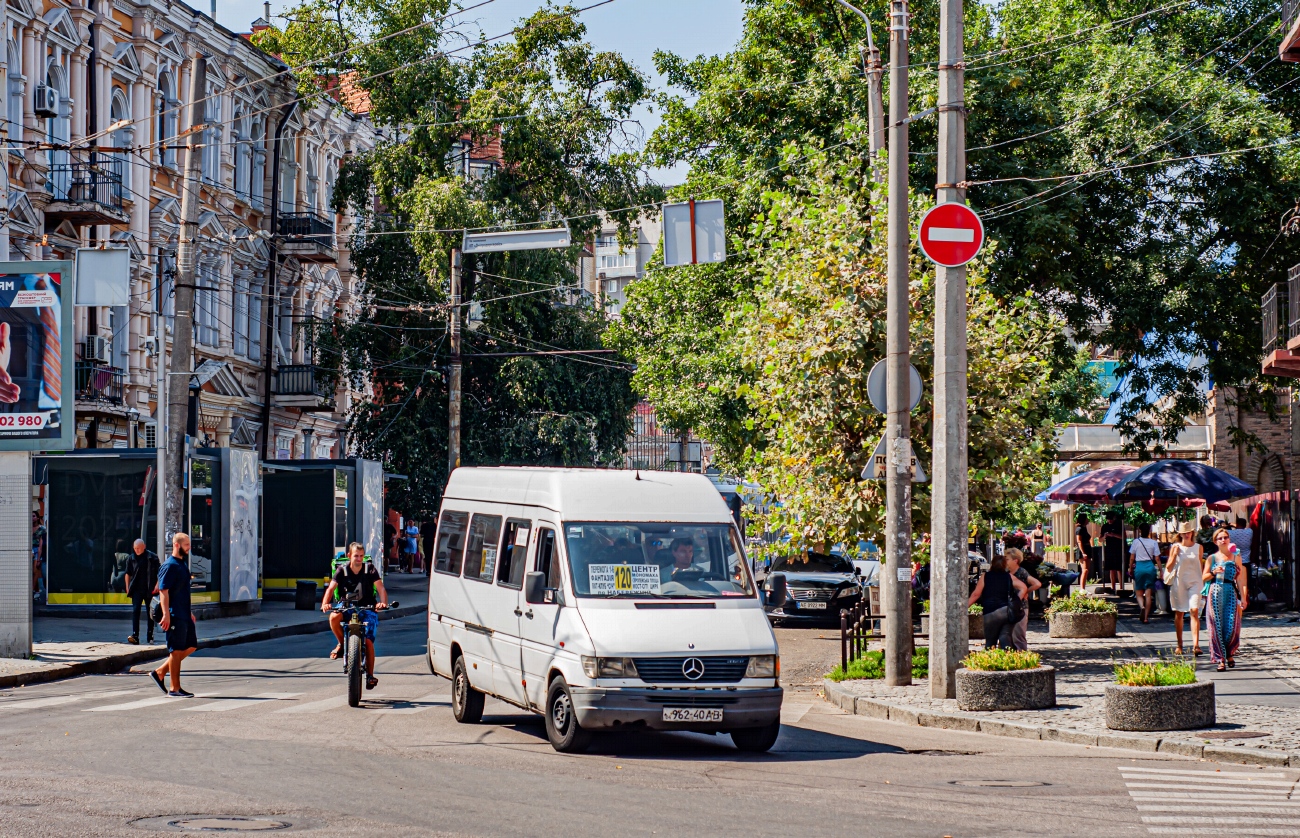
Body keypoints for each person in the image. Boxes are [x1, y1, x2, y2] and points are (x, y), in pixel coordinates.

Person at [322, 542, 389, 690]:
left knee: (369, 641)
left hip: (368, 608)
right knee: (333, 617)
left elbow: (380, 588)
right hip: (347, 606)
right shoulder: (342, 570)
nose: (359, 559)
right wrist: (325, 603)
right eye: (356, 556)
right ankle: (341, 644)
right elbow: (331, 588)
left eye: (361, 556)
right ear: (349, 556)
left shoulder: (369, 569)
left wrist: (382, 603)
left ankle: (370, 675)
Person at [150, 533, 198, 698]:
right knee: (176, 650)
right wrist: (166, 614)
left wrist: (189, 612)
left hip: (184, 613)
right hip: (174, 614)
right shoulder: (170, 565)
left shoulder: (182, 564)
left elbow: (181, 591)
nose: (189, 547)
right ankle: (174, 688)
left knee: (191, 645)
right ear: (177, 545)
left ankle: (160, 672)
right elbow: (164, 591)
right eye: (186, 544)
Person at [1205, 528, 1247, 672]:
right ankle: (1220, 659)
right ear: (1215, 541)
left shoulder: (1236, 556)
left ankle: (1229, 652)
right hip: (1215, 592)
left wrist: (1243, 597)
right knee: (1215, 626)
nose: (1224, 540)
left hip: (1230, 591)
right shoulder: (1212, 558)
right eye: (1220, 538)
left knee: (1231, 625)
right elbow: (1203, 577)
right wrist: (1213, 572)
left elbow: (1240, 578)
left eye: (1226, 537)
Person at [968, 553, 1028, 650]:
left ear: (992, 564)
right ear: (1004, 565)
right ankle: (1007, 661)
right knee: (1006, 638)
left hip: (990, 612)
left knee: (990, 641)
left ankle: (990, 662)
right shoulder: (1009, 576)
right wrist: (1016, 600)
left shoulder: (986, 576)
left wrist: (965, 606)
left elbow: (976, 594)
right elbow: (1023, 587)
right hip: (1006, 611)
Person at [1166, 521, 1205, 656]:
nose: (1187, 534)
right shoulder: (1175, 547)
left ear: (1192, 533)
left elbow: (1200, 566)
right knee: (1179, 613)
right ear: (1180, 534)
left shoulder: (1198, 547)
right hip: (1179, 582)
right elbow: (1169, 568)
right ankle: (1180, 644)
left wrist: (1204, 582)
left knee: (1194, 610)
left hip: (1195, 582)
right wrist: (1174, 555)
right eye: (1184, 532)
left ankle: (1196, 645)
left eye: (1189, 532)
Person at [123, 539, 160, 645]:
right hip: (136, 589)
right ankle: (135, 635)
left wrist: (157, 585)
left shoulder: (152, 557)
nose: (137, 550)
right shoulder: (131, 558)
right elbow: (127, 573)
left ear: (144, 546)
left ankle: (150, 634)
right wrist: (127, 587)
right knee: (135, 611)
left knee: (151, 612)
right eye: (135, 548)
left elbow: (160, 572)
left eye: (138, 548)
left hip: (150, 588)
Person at [1004, 548, 1041, 651]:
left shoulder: (1021, 572)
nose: (1005, 561)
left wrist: (1026, 591)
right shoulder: (1006, 572)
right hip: (1007, 607)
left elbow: (1037, 584)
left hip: (1020, 607)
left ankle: (1021, 656)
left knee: (1018, 635)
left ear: (1015, 560)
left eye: (1007, 559)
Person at [1128, 523, 1160, 624]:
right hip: (1150, 567)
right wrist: (1161, 570)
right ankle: (1146, 617)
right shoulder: (1153, 542)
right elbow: (1157, 558)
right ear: (1149, 530)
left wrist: (1130, 568)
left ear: (1140, 531)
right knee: (1148, 594)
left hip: (1139, 567)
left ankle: (1142, 606)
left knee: (1139, 592)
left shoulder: (1136, 542)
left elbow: (1132, 557)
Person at [1102, 512, 1124, 594]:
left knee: (1119, 568)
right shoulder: (1105, 526)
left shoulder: (1118, 525)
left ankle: (1121, 587)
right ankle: (1113, 587)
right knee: (1111, 569)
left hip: (1118, 549)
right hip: (1109, 549)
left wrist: (1113, 535)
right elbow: (1100, 539)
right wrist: (1105, 536)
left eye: (1111, 519)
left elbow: (1123, 537)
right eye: (1108, 519)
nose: (1109, 521)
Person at [1229, 517, 1253, 583]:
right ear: (1245, 525)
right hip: (1246, 562)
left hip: (1235, 561)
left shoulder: (1230, 533)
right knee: (1246, 582)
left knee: (1235, 581)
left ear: (1237, 524)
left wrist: (1231, 525)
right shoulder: (1249, 532)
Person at [1074, 514, 1092, 594]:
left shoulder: (1084, 528)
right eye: (1087, 518)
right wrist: (1083, 552)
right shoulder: (1079, 529)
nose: (1088, 519)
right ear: (1084, 519)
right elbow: (1079, 541)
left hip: (1087, 549)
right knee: (1085, 569)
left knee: (1086, 569)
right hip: (1083, 550)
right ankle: (1082, 588)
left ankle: (1083, 588)